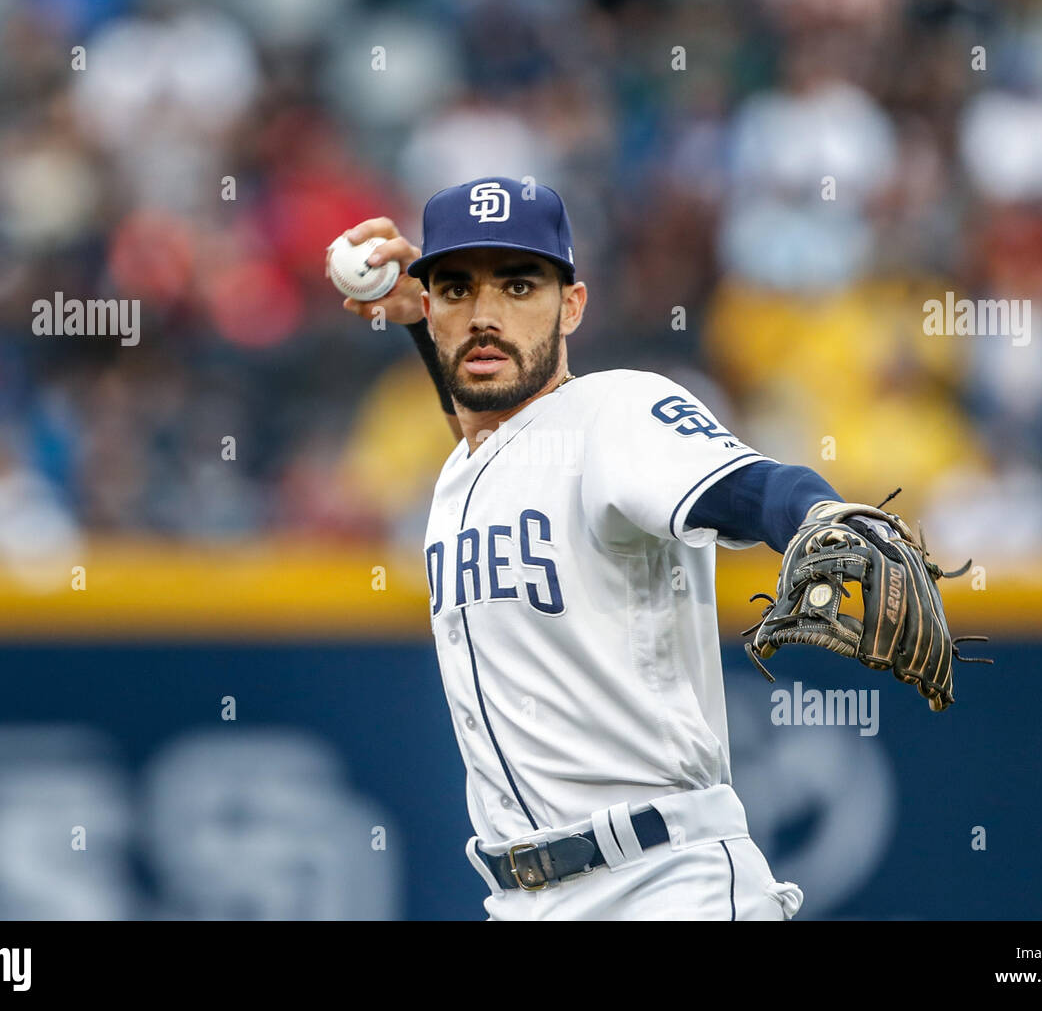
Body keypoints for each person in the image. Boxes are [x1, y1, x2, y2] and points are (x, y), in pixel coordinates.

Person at [333, 176, 850, 921]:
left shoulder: (617, 411)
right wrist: (420, 320)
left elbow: (746, 487)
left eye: (518, 287)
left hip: (662, 888)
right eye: (456, 290)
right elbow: (498, 446)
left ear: (572, 305)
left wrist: (818, 514)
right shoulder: (465, 467)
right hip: (524, 901)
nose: (485, 316)